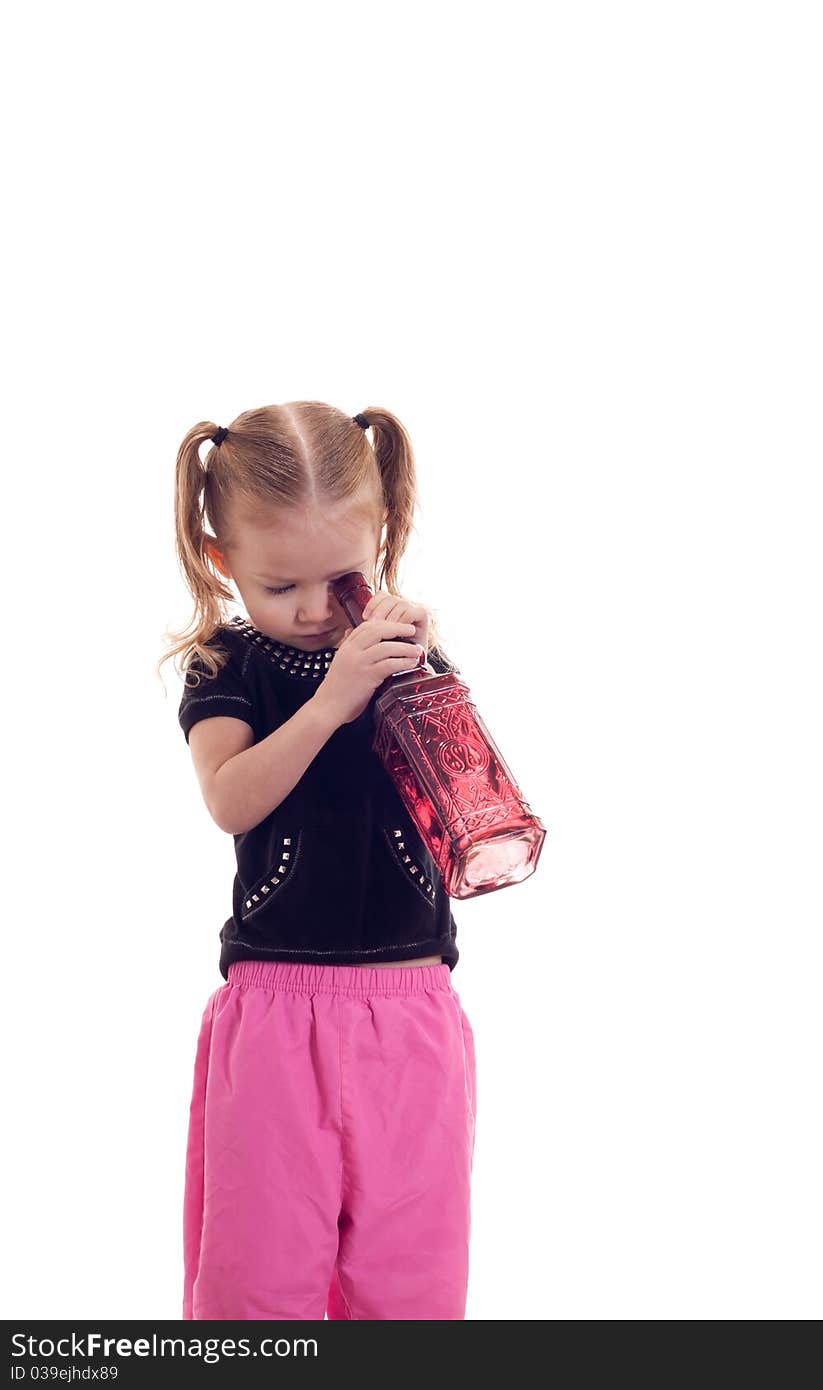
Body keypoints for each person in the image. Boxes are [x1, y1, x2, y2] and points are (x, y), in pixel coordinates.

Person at [159, 399, 477, 1320]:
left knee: (411, 1280)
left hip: (412, 1006)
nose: (308, 608)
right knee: (260, 1282)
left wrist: (425, 682)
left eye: (336, 575)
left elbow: (459, 803)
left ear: (382, 537)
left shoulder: (397, 654)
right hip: (277, 1012)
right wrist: (335, 699)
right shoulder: (227, 663)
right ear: (224, 563)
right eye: (277, 584)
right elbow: (230, 797)